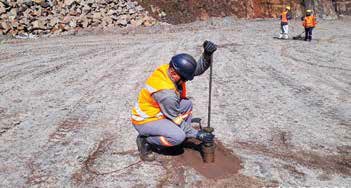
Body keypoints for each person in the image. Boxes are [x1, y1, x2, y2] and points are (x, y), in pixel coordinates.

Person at [131, 41, 217, 161]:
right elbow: (176, 118)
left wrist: (206, 56)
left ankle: (179, 135)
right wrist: (198, 134)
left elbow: (194, 70)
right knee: (178, 136)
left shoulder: (172, 68)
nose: (185, 81)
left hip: (159, 110)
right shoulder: (166, 93)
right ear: (173, 73)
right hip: (146, 120)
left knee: (187, 104)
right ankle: (146, 140)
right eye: (184, 79)